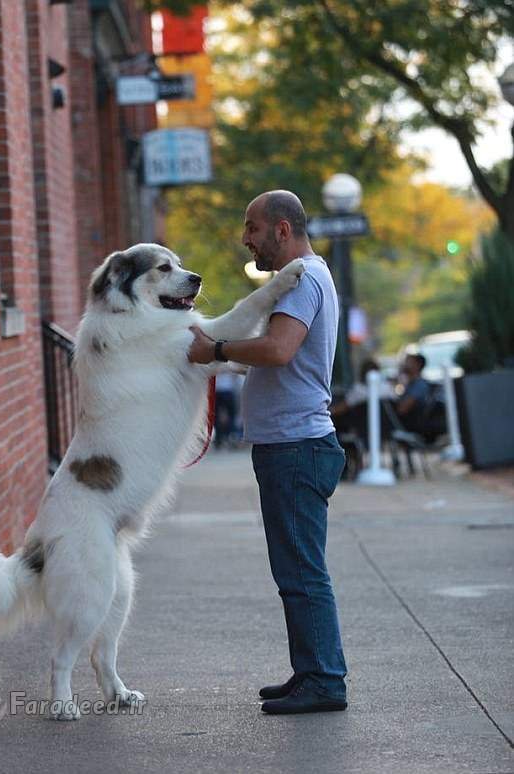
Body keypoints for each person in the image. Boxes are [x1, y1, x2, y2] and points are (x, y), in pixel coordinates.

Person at [188, 190, 348, 715]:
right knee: (295, 570)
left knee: (302, 572)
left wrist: (214, 350)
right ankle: (311, 671)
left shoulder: (302, 280)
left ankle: (324, 680)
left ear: (282, 230)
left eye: (252, 227)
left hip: (297, 448)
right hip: (292, 446)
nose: (245, 238)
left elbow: (279, 350)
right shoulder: (304, 279)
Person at [396, 353, 430, 433]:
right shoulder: (410, 384)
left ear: (417, 365)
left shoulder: (419, 385)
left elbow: (402, 409)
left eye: (409, 362)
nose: (405, 365)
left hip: (411, 426)